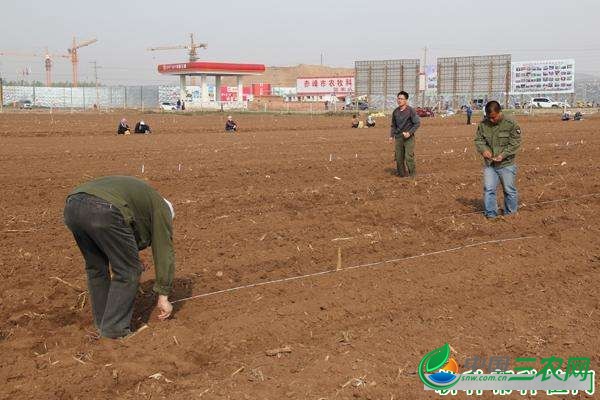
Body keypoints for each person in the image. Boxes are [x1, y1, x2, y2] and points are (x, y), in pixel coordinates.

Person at [63, 176, 175, 338]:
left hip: (73, 206)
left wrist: (129, 254)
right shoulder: (162, 209)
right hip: (104, 209)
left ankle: (103, 324)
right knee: (128, 270)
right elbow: (164, 251)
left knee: (96, 268)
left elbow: (126, 230)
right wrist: (163, 296)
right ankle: (114, 330)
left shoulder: (141, 198)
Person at [474, 101, 522, 219]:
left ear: (500, 112)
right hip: (490, 164)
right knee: (489, 189)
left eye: (493, 117)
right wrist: (484, 150)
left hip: (506, 164)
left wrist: (503, 155)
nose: (491, 120)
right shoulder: (483, 125)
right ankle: (491, 214)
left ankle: (511, 214)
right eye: (488, 117)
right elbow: (479, 140)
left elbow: (515, 143)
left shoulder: (511, 124)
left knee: (509, 190)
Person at [389, 91, 421, 177]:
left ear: (406, 100)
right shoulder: (395, 112)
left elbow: (417, 123)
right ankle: (401, 174)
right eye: (398, 98)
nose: (399, 100)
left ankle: (412, 174)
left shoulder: (411, 111)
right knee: (399, 158)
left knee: (408, 156)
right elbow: (393, 125)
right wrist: (391, 136)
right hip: (398, 137)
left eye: (401, 99)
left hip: (408, 138)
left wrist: (409, 133)